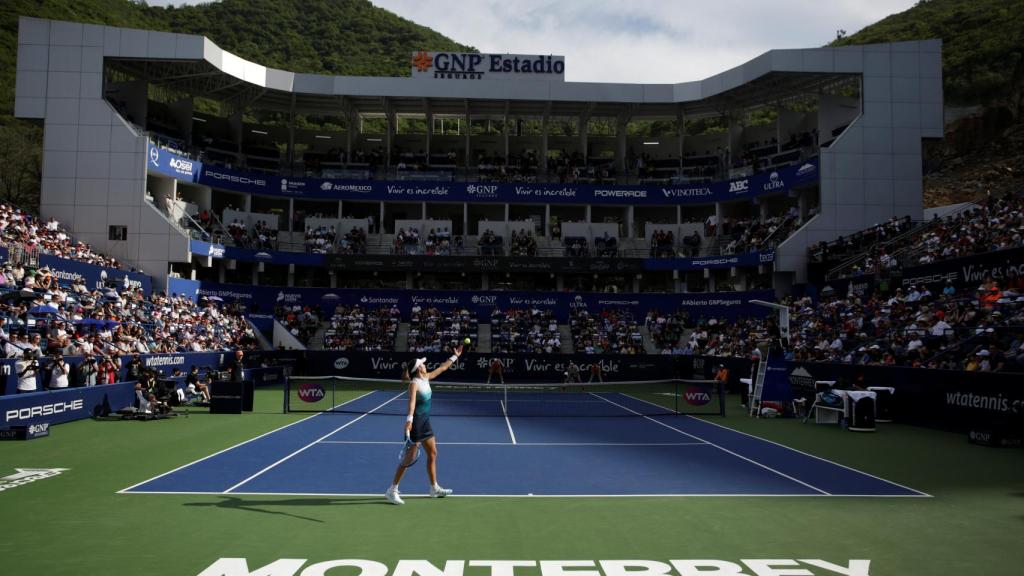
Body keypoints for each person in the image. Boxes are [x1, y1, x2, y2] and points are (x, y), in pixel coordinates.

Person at [385, 345, 463, 505]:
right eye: (421, 363)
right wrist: (409, 421)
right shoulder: (414, 384)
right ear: (417, 368)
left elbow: (442, 368)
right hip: (417, 424)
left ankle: (434, 488)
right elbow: (412, 403)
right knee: (409, 458)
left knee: (433, 453)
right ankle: (392, 490)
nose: (424, 364)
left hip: (426, 422)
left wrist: (455, 357)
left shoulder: (425, 377)